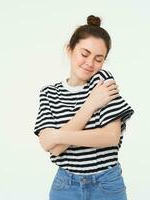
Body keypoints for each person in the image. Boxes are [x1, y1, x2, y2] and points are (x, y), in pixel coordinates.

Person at [33, 15, 134, 200]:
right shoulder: (49, 93)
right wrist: (91, 105)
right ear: (70, 50)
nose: (90, 63)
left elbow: (111, 137)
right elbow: (51, 148)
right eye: (84, 54)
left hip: (107, 183)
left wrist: (57, 136)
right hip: (65, 185)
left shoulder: (102, 80)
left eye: (99, 58)